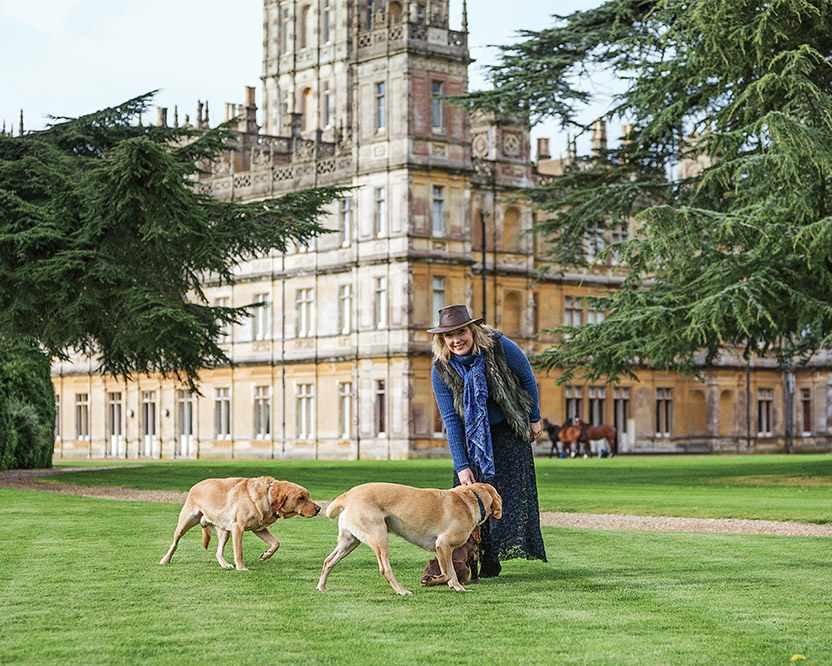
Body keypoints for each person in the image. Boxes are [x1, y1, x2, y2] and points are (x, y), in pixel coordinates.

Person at [428, 304, 547, 577]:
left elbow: (527, 378)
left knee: (503, 499)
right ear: (442, 340)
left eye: (461, 332)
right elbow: (451, 419)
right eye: (449, 335)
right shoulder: (441, 369)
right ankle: (469, 558)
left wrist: (534, 418)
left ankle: (493, 559)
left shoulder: (500, 347)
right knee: (466, 501)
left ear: (473, 330)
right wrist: (461, 465)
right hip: (471, 440)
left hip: (507, 433)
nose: (456, 339)